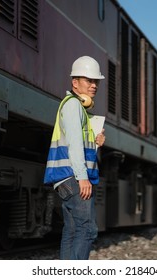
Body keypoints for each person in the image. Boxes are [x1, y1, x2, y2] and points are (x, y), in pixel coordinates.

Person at [43, 56, 106, 260]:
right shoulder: (72, 106)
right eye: (89, 80)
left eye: (96, 81)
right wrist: (83, 177)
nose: (94, 85)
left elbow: (81, 145)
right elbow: (74, 146)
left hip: (64, 178)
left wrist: (97, 141)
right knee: (87, 230)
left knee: (71, 231)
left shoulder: (79, 110)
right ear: (75, 83)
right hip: (73, 177)